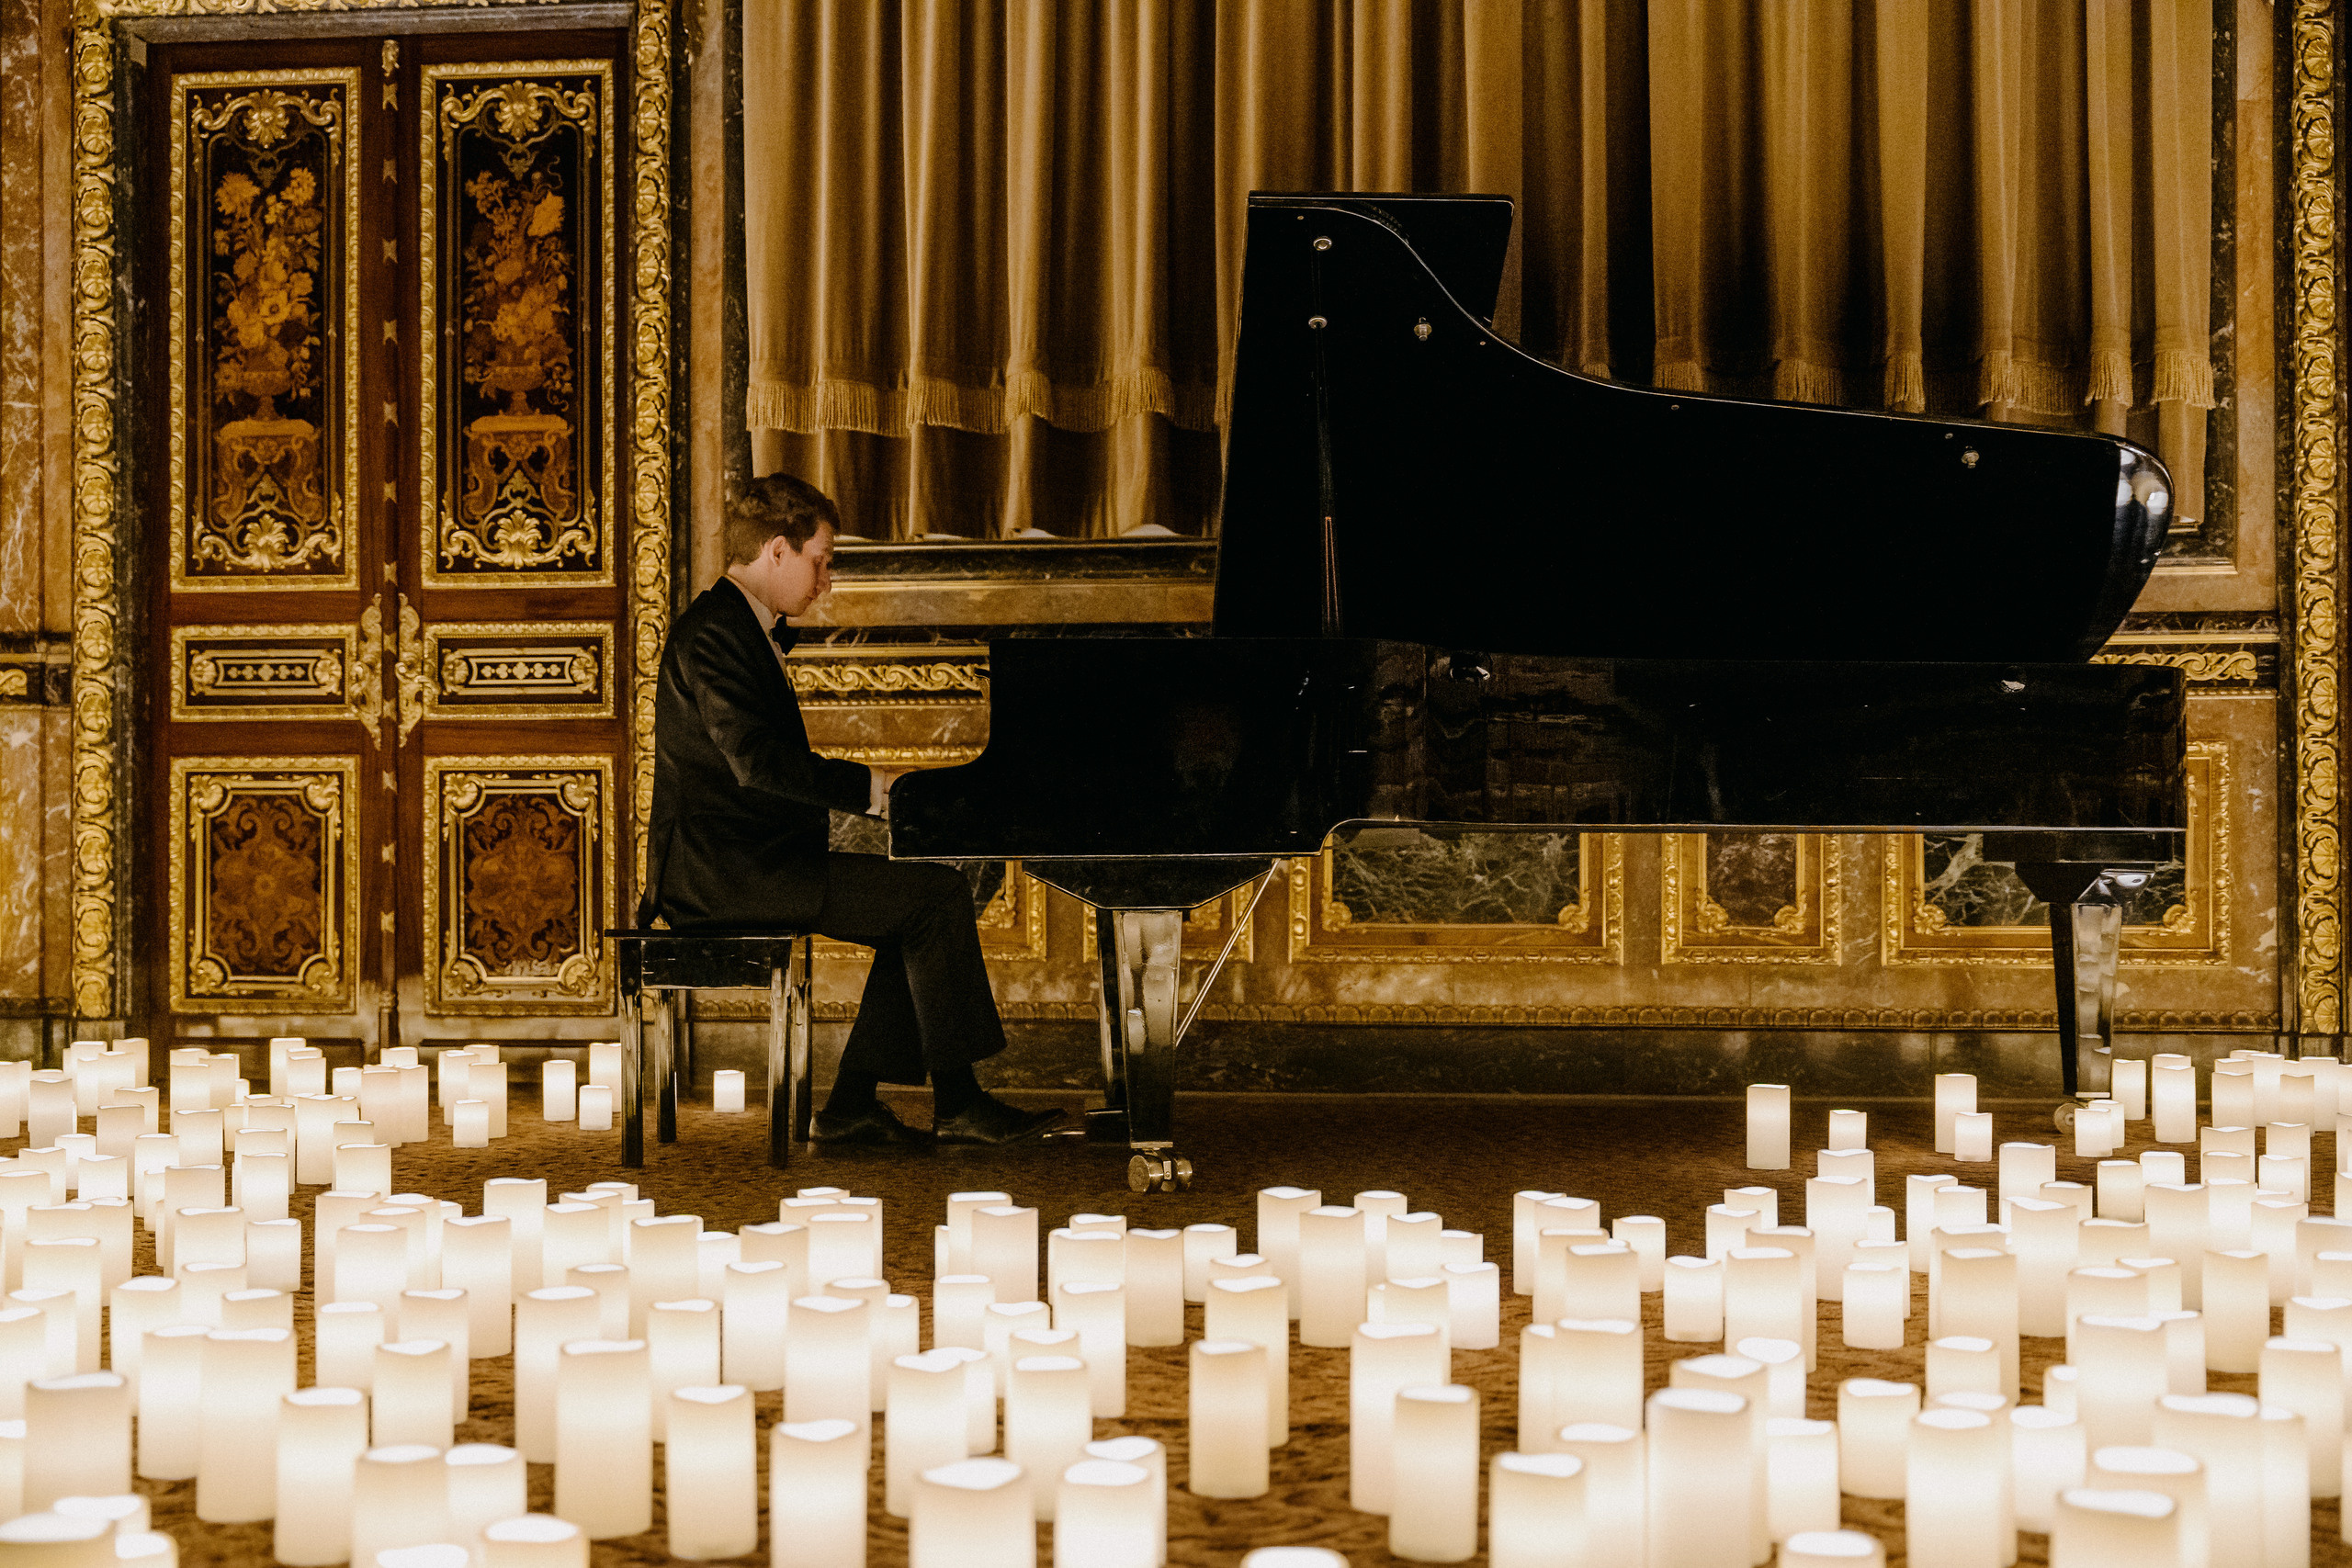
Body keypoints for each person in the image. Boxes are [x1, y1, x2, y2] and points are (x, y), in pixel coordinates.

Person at [640, 473, 1065, 1146]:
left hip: (756, 851)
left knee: (933, 889)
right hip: (725, 871)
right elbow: (757, 764)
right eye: (821, 560)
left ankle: (856, 1105)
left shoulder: (738, 626)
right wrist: (875, 788)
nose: (827, 579)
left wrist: (878, 799)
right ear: (777, 551)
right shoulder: (714, 633)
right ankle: (952, 1101)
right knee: (933, 896)